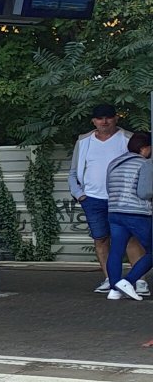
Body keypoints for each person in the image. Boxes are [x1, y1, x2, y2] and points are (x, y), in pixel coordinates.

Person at [71, 103, 135, 291]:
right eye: (100, 118)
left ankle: (137, 279)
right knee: (100, 239)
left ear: (116, 118)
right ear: (93, 121)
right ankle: (111, 280)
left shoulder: (128, 139)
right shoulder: (84, 142)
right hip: (92, 199)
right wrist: (79, 194)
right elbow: (73, 171)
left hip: (123, 199)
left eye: (108, 117)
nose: (104, 121)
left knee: (131, 238)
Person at [105, 131, 153, 301]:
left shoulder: (114, 163)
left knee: (116, 251)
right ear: (145, 148)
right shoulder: (145, 164)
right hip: (137, 213)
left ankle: (114, 289)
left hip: (114, 211)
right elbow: (145, 192)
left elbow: (109, 188)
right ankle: (128, 280)